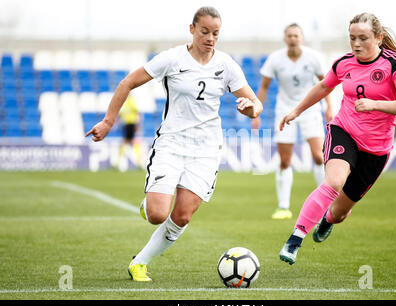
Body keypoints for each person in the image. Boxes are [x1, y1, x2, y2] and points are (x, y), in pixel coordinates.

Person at [85, 6, 262, 281]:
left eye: (216, 33)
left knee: (182, 216)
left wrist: (249, 108)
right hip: (171, 144)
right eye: (205, 31)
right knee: (157, 214)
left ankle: (139, 263)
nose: (210, 38)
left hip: (206, 150)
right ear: (192, 30)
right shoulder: (171, 59)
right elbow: (127, 83)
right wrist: (109, 121)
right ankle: (150, 204)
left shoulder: (226, 65)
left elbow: (256, 104)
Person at [278, 12, 396, 265]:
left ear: (379, 37)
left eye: (363, 38)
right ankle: (294, 240)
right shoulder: (344, 63)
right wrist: (296, 111)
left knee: (340, 212)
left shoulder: (395, 64)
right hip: (344, 130)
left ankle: (328, 220)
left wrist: (376, 104)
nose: (356, 44)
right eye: (352, 38)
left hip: (377, 149)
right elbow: (324, 87)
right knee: (333, 182)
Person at [252, 23, 334, 220]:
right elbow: (264, 87)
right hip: (284, 110)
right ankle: (283, 207)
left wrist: (329, 106)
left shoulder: (313, 57)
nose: (292, 38)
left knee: (317, 155)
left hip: (310, 108)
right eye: (289, 35)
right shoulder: (275, 59)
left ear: (302, 38)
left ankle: (325, 205)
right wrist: (256, 113)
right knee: (285, 160)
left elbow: (326, 83)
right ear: (284, 38)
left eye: (296, 35)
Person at [116, 94, 144, 171]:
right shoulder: (125, 103)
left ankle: (117, 163)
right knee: (129, 142)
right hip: (126, 125)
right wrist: (118, 123)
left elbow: (137, 113)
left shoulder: (131, 101)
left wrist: (138, 124)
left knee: (127, 142)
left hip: (131, 124)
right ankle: (139, 163)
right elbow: (121, 114)